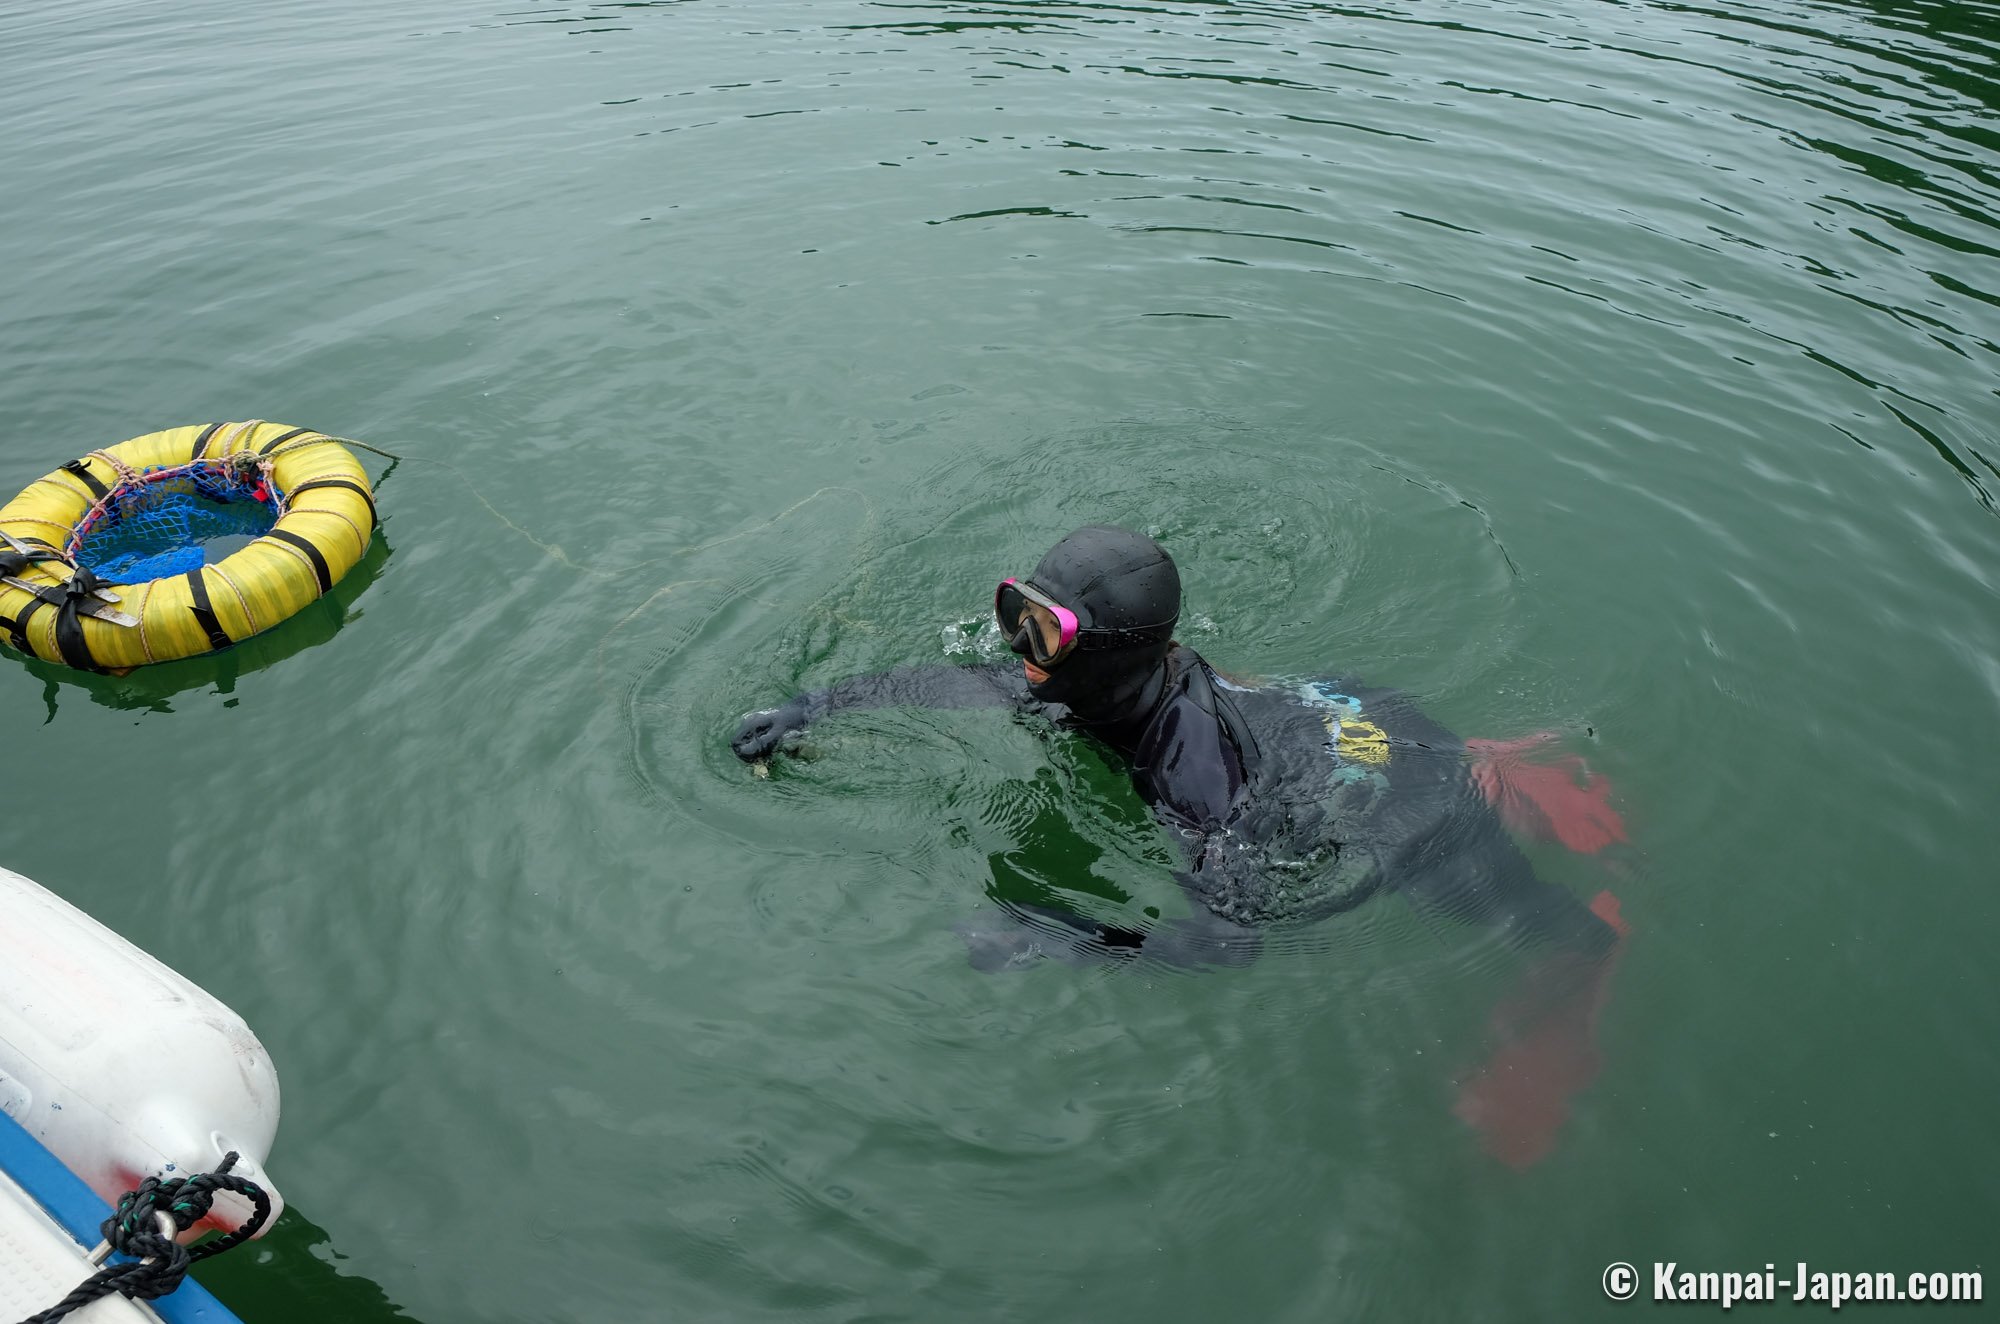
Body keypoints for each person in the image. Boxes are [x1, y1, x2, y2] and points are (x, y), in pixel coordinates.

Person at [731, 524, 1630, 1166]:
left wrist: (1060, 936)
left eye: (1041, 631)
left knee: (1534, 923)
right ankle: (1507, 770)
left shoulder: (1192, 778)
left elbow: (1229, 941)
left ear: (1107, 652)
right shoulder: (1096, 679)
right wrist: (815, 706)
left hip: (1397, 792)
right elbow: (966, 684)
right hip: (1341, 708)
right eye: (1018, 612)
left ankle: (1594, 944)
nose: (1017, 645)